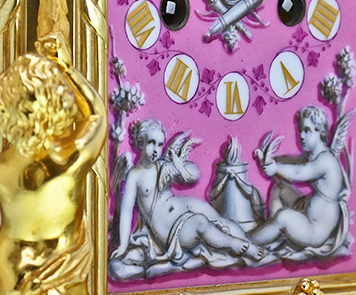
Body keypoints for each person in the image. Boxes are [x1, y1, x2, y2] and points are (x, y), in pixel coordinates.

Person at [0, 37, 106, 295]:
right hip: (64, 279)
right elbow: (96, 116)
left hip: (10, 277)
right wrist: (66, 69)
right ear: (57, 103)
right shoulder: (71, 158)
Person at [109, 118, 264, 280]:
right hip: (171, 228)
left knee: (218, 218)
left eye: (160, 145)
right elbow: (126, 211)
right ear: (141, 142)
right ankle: (235, 244)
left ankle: (249, 242)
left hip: (183, 207)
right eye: (151, 143)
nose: (155, 150)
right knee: (201, 223)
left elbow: (194, 175)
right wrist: (123, 245)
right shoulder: (135, 175)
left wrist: (178, 166)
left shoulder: (162, 166)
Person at [250, 106, 352, 257]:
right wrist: (270, 161)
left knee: (283, 217)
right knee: (280, 188)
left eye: (307, 130)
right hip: (307, 215)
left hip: (315, 231)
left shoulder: (325, 160)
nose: (302, 136)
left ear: (320, 131)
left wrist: (275, 168)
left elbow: (299, 172)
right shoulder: (313, 155)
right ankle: (275, 234)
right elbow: (292, 162)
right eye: (301, 130)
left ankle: (249, 241)